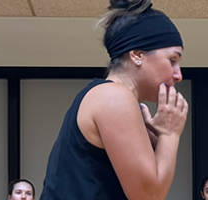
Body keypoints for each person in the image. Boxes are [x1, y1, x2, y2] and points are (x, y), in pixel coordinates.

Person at [40, 0, 188, 199]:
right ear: (137, 55)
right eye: (172, 60)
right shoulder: (114, 97)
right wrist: (170, 135)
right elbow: (149, 196)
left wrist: (157, 143)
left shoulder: (105, 95)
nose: (178, 75)